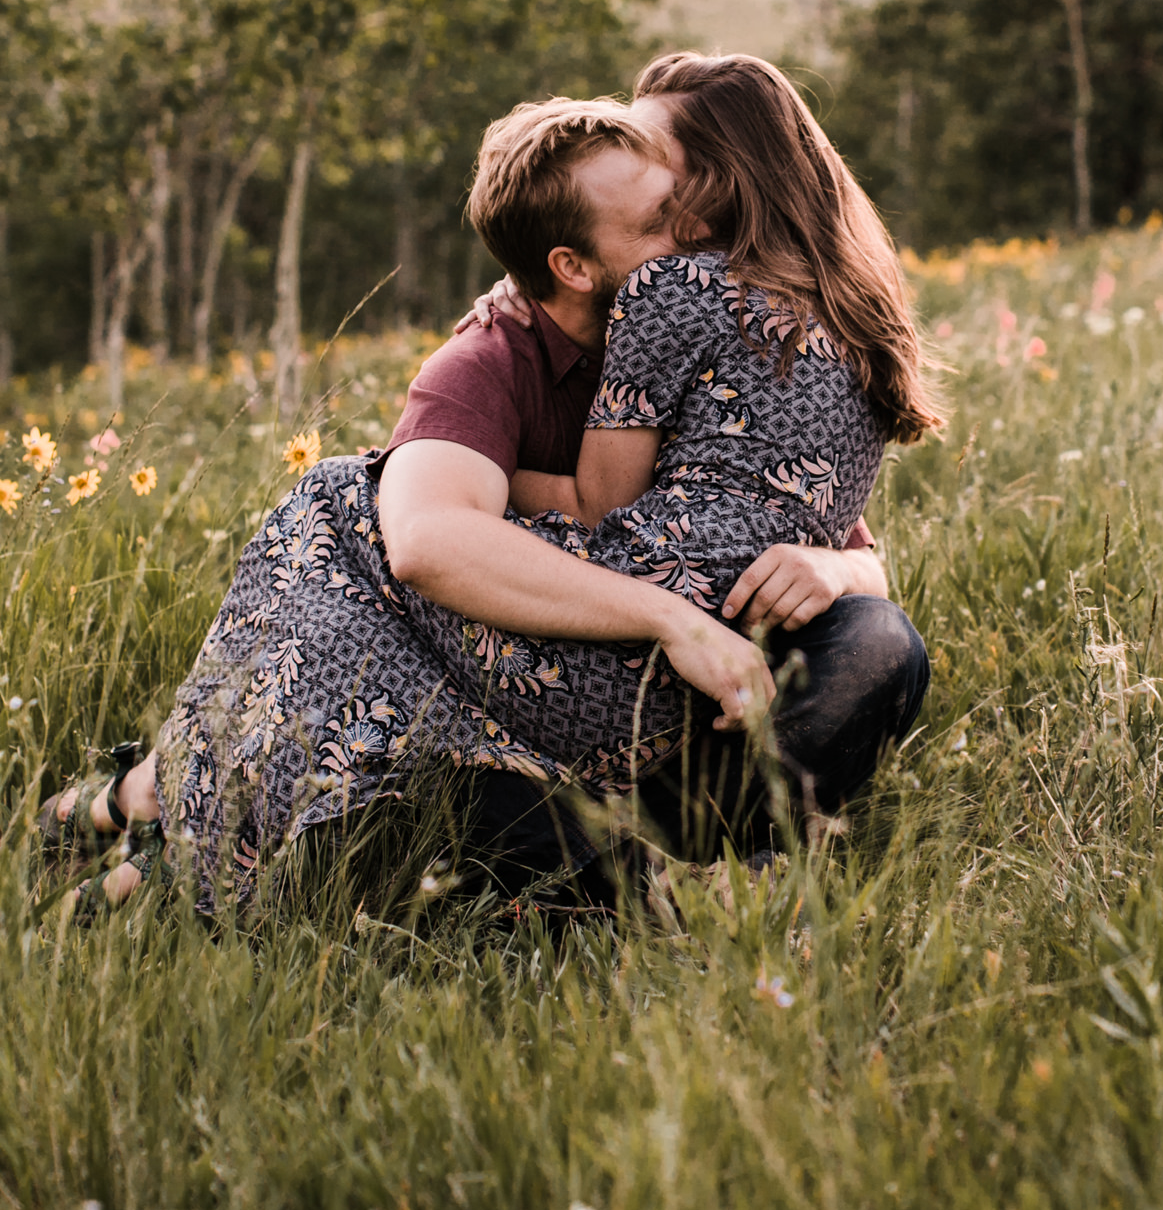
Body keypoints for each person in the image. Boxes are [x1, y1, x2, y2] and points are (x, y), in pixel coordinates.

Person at [47, 61, 939, 922]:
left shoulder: (715, 328)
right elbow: (429, 542)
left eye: (673, 182)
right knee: (364, 651)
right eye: (654, 203)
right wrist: (673, 618)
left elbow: (814, 530)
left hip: (679, 716)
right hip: (521, 711)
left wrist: (834, 571)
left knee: (876, 640)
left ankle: (153, 811)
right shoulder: (489, 358)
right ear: (576, 261)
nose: (687, 232)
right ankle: (158, 810)